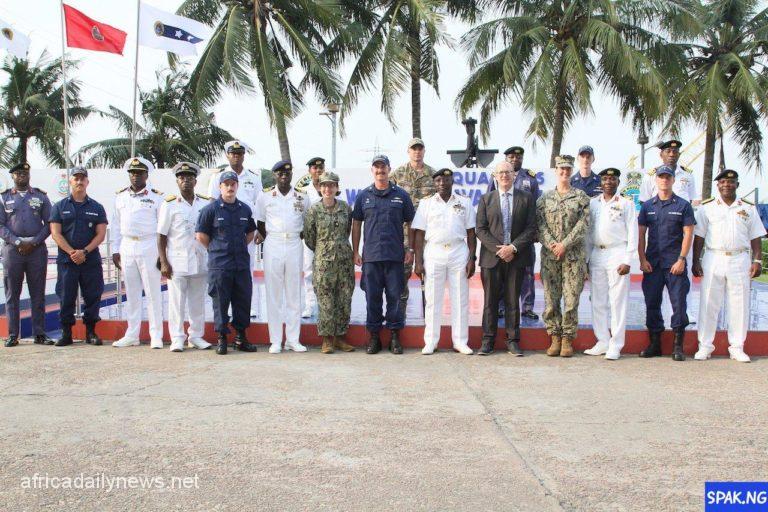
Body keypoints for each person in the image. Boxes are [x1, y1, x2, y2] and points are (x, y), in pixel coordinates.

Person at [692, 170, 766, 363]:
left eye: (731, 182)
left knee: (739, 304)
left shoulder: (748, 208)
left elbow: (755, 236)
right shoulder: (707, 207)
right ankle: (705, 346)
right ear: (718, 186)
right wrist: (695, 260)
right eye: (723, 182)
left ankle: (737, 347)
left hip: (739, 258)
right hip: (713, 257)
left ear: (737, 185)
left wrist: (757, 261)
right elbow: (699, 236)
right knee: (708, 304)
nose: (727, 185)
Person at [352, 155, 415, 354]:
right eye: (377, 167)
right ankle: (374, 338)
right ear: (372, 170)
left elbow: (411, 223)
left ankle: (395, 337)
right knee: (373, 298)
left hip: (395, 256)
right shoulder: (364, 196)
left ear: (389, 169)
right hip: (371, 257)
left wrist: (410, 249)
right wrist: (355, 251)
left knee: (395, 298)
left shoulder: (401, 195)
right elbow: (356, 224)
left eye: (383, 167)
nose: (380, 171)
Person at [412, 168, 477, 355]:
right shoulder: (426, 204)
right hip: (434, 252)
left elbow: (471, 232)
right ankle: (431, 341)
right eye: (438, 180)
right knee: (433, 299)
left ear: (452, 182)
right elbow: (419, 234)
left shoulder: (464, 202)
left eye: (446, 180)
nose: (442, 183)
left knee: (460, 298)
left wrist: (472, 258)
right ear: (435, 183)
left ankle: (460, 341)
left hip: (458, 251)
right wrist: (418, 261)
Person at [196, 170, 260, 355]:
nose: (230, 187)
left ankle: (241, 338)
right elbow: (201, 236)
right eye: (226, 184)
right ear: (220, 187)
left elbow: (250, 233)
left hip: (240, 264)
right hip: (220, 265)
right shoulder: (210, 210)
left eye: (233, 184)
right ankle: (222, 338)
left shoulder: (245, 209)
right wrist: (217, 250)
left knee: (242, 301)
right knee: (220, 302)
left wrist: (238, 247)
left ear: (237, 186)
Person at [637, 165, 695, 361]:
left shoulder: (683, 205)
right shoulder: (648, 206)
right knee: (652, 303)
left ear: (672, 180)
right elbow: (641, 234)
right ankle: (655, 344)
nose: (664, 180)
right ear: (656, 180)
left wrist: (681, 259)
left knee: (679, 304)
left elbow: (688, 233)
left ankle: (678, 346)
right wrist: (642, 259)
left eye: (667, 177)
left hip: (674, 264)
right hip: (652, 263)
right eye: (661, 177)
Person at [639, 139, 700, 323]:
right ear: (661, 154)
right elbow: (644, 205)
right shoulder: (650, 176)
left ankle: (684, 317)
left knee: (681, 286)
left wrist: (682, 256)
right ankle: (657, 328)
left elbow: (693, 202)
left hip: (680, 240)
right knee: (653, 293)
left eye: (675, 151)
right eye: (668, 151)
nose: (672, 154)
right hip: (657, 241)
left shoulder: (688, 176)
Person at [537, 155, 590, 357]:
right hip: (550, 256)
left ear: (572, 170)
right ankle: (554, 336)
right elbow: (540, 225)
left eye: (568, 169)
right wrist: (553, 245)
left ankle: (568, 338)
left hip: (573, 256)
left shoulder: (581, 197)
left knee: (571, 298)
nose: (565, 172)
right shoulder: (544, 199)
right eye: (561, 169)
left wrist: (564, 245)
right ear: (556, 171)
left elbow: (583, 225)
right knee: (551, 297)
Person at [157, 162, 213, 352]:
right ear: (177, 181)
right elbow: (161, 235)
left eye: (189, 178)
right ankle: (177, 338)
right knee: (176, 302)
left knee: (197, 301)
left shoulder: (206, 202)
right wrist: (163, 261)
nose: (186, 181)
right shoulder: (169, 204)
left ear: (196, 181)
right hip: (177, 260)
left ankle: (196, 336)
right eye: (182, 178)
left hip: (200, 258)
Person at [49, 167, 108, 346]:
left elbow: (101, 235)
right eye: (76, 178)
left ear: (87, 182)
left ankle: (91, 332)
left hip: (90, 260)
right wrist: (72, 252)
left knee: (93, 295)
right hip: (67, 260)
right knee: (66, 296)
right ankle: (66, 333)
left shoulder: (97, 207)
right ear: (70, 181)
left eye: (83, 179)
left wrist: (84, 252)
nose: (79, 182)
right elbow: (55, 233)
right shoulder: (60, 206)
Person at [256, 160, 311, 354]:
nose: (284, 176)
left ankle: (293, 340)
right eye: (279, 173)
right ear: (274, 175)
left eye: (287, 173)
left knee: (294, 293)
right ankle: (276, 341)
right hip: (273, 243)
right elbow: (260, 223)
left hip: (295, 243)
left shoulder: (302, 197)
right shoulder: (265, 197)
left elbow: (306, 223)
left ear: (291, 175)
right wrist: (272, 235)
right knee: (274, 294)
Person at [583, 168, 638, 360]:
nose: (608, 182)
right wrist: (586, 260)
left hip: (617, 252)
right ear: (600, 182)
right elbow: (589, 235)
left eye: (612, 179)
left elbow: (633, 233)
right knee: (598, 301)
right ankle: (602, 341)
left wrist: (628, 260)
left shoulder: (626, 204)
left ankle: (616, 344)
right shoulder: (593, 204)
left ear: (617, 182)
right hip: (598, 253)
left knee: (617, 302)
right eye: (605, 179)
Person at [111, 157, 165, 349]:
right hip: (127, 245)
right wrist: (115, 250)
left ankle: (156, 335)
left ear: (146, 175)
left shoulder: (157, 197)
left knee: (153, 293)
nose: (135, 176)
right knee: (131, 293)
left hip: (149, 244)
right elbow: (116, 225)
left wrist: (162, 253)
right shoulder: (120, 196)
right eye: (132, 173)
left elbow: (162, 228)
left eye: (139, 173)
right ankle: (132, 334)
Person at [207, 140, 263, 317]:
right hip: (223, 232)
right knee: (223, 273)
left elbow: (259, 205)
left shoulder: (253, 177)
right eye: (233, 153)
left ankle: (249, 306)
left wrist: (260, 229)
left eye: (239, 153)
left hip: (245, 230)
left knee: (247, 269)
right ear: (227, 155)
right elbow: (212, 205)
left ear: (243, 156)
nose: (236, 156)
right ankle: (226, 308)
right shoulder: (218, 177)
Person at [303, 171, 356, 354]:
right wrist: (324, 249)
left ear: (337, 188)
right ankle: (326, 340)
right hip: (323, 262)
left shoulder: (345, 208)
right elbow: (309, 238)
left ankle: (340, 338)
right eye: (324, 185)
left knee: (344, 298)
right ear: (320, 188)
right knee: (325, 300)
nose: (328, 188)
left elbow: (348, 230)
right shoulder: (313, 210)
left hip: (344, 261)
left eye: (332, 185)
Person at [0, 163, 53, 347]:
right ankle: (13, 335)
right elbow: (1, 226)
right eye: (18, 173)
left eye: (25, 173)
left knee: (37, 294)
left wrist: (35, 242)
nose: (22, 176)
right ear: (12, 176)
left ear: (29, 174)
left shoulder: (40, 196)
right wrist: (17, 242)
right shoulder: (3, 197)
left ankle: (39, 333)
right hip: (12, 250)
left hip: (36, 250)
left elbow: (49, 223)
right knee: (12, 294)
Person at [487, 146, 541, 320]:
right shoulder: (496, 177)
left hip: (524, 236)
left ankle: (527, 306)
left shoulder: (530, 178)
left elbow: (537, 207)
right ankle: (501, 306)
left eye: (518, 156)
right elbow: (490, 202)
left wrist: (534, 233)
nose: (515, 159)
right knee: (502, 274)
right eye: (511, 156)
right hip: (502, 236)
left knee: (527, 272)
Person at [390, 138, 436, 320]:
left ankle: (430, 316)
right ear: (408, 151)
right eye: (413, 149)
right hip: (404, 233)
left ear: (424, 151)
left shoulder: (433, 174)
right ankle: (400, 314)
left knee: (429, 271)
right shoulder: (398, 174)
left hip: (427, 233)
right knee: (403, 273)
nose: (417, 152)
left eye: (420, 149)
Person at [296, 157, 325, 318]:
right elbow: (299, 213)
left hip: (327, 238)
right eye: (314, 168)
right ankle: (310, 305)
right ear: (309, 171)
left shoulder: (330, 187)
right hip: (309, 237)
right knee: (308, 271)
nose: (318, 171)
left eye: (320, 168)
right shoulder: (303, 191)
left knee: (326, 272)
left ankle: (325, 305)